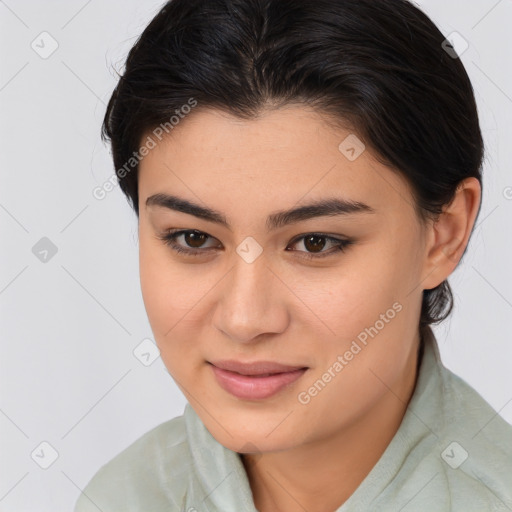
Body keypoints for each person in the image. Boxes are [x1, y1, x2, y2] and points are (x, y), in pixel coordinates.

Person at [74, 0, 512, 510]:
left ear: (444, 234)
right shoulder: (124, 496)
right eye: (194, 239)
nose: (244, 319)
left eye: (315, 243)